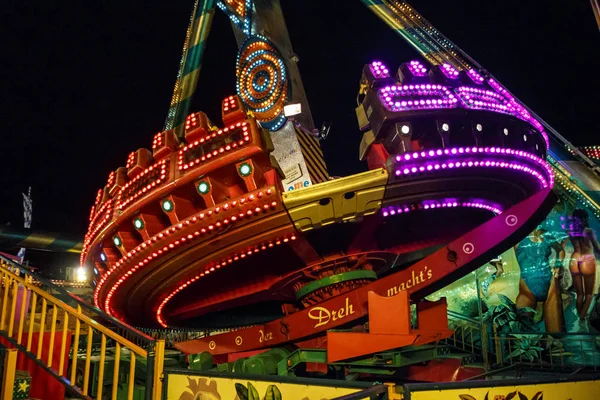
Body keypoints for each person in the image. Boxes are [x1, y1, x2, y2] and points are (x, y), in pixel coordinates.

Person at [514, 219, 567, 332]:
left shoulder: (547, 234)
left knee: (556, 334)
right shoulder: (518, 235)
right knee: (523, 331)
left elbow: (561, 251)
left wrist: (557, 265)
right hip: (527, 286)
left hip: (549, 281)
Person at [567, 208, 599, 329]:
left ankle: (579, 318)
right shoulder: (589, 231)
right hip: (587, 260)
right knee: (589, 294)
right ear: (585, 218)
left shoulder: (569, 231)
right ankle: (581, 320)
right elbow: (597, 249)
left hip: (574, 260)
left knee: (579, 294)